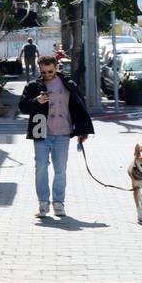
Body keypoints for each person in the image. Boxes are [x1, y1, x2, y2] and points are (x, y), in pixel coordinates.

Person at [18, 56, 94, 220]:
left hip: (63, 133)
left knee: (60, 170)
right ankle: (43, 203)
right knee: (41, 167)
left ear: (57, 67)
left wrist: (83, 132)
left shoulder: (69, 84)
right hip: (41, 132)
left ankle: (58, 203)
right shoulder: (33, 86)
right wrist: (36, 101)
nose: (47, 75)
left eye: (50, 71)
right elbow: (22, 107)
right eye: (43, 72)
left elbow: (80, 108)